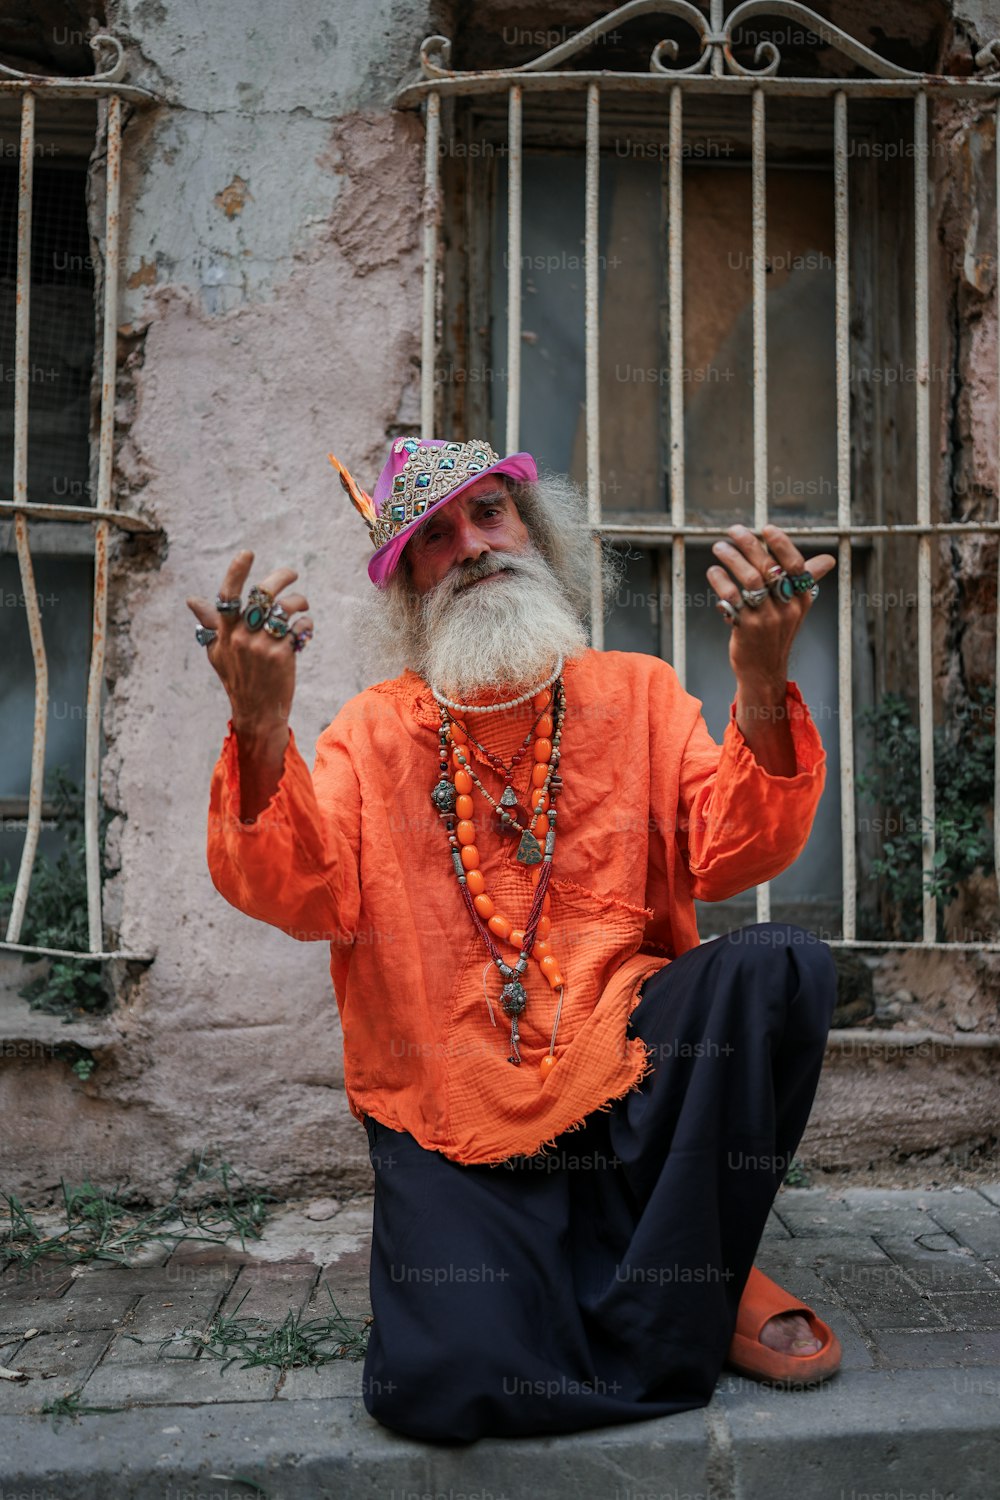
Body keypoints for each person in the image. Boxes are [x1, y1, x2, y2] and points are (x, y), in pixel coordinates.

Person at [186, 435, 841, 1444]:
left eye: (490, 514)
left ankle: (698, 1276)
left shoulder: (638, 691)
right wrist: (260, 726)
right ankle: (673, 1296)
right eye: (434, 537)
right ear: (409, 585)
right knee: (440, 1381)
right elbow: (302, 891)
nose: (473, 546)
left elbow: (729, 853)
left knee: (779, 968)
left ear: (536, 532)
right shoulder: (370, 731)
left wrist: (760, 683)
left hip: (624, 1069)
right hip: (455, 1104)